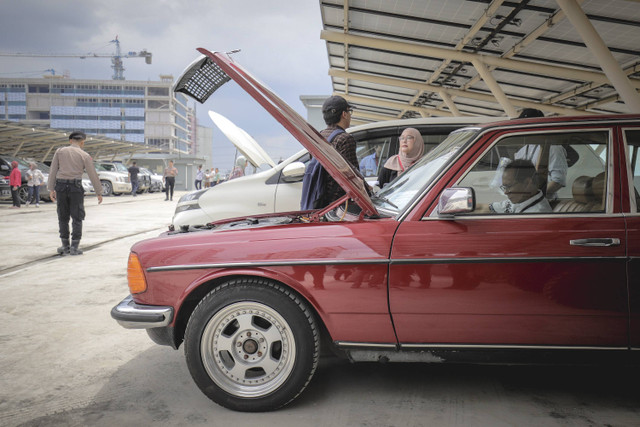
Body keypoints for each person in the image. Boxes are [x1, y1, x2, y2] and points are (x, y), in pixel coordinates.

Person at [47, 131, 103, 255]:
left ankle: (65, 246)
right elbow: (92, 173)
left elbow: (53, 170)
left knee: (63, 216)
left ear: (70, 141)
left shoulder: (59, 151)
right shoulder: (84, 155)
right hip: (75, 187)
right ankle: (74, 247)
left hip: (60, 187)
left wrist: (51, 188)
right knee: (77, 217)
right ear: (82, 142)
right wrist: (99, 192)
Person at [302, 95, 359, 209]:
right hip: (337, 205)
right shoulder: (345, 139)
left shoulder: (317, 137)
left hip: (319, 201)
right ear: (344, 114)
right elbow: (352, 176)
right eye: (349, 111)